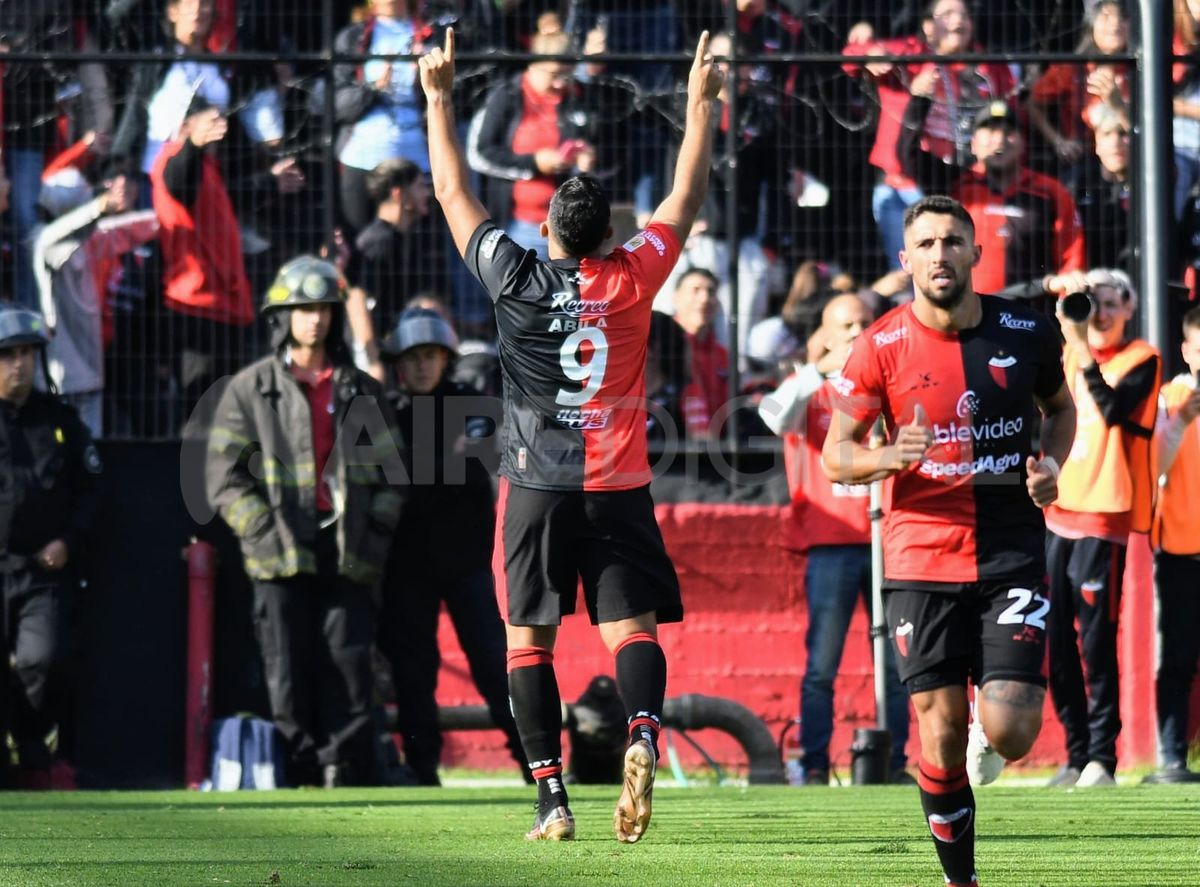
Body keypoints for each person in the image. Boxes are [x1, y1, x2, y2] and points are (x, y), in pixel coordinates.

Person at [417, 28, 722, 841]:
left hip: (538, 488)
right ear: (610, 235)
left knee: (529, 643)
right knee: (632, 630)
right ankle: (644, 732)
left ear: (548, 229)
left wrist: (439, 99)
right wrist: (701, 111)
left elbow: (452, 192)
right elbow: (684, 202)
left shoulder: (515, 275)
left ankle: (552, 799)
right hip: (618, 484)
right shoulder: (633, 277)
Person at [821, 195, 1075, 887]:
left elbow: (1060, 409)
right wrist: (885, 458)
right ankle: (959, 880)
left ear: (975, 253)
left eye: (952, 241)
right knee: (935, 734)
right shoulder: (879, 344)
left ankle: (986, 733)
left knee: (1016, 731)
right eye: (926, 243)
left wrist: (1051, 464)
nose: (940, 254)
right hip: (920, 553)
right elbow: (834, 454)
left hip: (1010, 546)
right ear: (905, 259)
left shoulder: (1025, 329)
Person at [206, 256, 406, 788]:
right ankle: (294, 766)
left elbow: (394, 474)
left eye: (322, 309)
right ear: (282, 316)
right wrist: (263, 535)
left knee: (349, 663)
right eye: (302, 309)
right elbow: (224, 476)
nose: (313, 319)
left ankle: (342, 766)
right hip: (278, 553)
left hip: (349, 552)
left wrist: (374, 538)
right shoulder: (249, 389)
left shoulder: (361, 389)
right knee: (285, 666)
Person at [758, 294, 911, 786]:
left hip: (885, 535)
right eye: (847, 324)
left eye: (865, 323)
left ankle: (895, 761)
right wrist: (816, 370)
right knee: (822, 661)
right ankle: (816, 763)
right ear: (824, 333)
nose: (857, 332)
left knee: (893, 660)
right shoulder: (809, 390)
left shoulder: (885, 381)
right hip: (830, 540)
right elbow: (772, 416)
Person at [376, 307, 527, 786]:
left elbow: (473, 457)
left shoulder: (471, 403)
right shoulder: (386, 411)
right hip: (408, 565)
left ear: (446, 359)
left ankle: (534, 766)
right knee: (413, 672)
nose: (422, 366)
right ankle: (423, 771)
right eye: (412, 357)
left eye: (431, 356)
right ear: (398, 362)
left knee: (491, 664)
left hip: (467, 563)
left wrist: (418, 465)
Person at [1044, 268, 1162, 788]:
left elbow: (1113, 411)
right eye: (1094, 302)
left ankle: (1101, 758)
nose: (1102, 313)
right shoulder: (1066, 352)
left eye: (1112, 303)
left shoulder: (1144, 359)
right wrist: (1055, 288)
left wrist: (1081, 349)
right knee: (1055, 643)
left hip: (1104, 516)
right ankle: (1073, 755)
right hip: (1056, 511)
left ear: (1129, 310)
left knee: (1095, 642)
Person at [0, 306, 103, 787]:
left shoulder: (59, 421)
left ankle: (31, 742)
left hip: (43, 571)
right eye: (8, 355)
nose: (19, 364)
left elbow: (91, 491)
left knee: (44, 659)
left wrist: (68, 540)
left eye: (27, 354)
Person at [901, 99, 1087, 302]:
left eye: (1008, 132)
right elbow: (908, 155)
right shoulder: (953, 186)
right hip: (967, 315)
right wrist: (920, 100)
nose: (999, 140)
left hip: (1029, 316)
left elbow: (1071, 254)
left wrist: (1067, 301)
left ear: (1023, 143)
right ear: (973, 144)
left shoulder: (1050, 191)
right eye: (989, 131)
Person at [467, 29, 600, 261]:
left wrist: (585, 162)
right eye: (555, 75)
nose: (561, 84)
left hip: (571, 227)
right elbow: (480, 153)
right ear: (535, 64)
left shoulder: (580, 97)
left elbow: (606, 147)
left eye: (568, 76)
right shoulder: (506, 96)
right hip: (518, 224)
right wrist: (535, 163)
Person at [1144, 306, 1200, 784]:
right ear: (1186, 351)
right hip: (1181, 550)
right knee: (1178, 659)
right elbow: (1153, 466)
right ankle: (1171, 755)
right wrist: (1180, 421)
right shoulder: (1168, 398)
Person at [671, 268, 728, 441]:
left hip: (717, 454)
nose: (704, 299)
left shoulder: (723, 355)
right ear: (676, 298)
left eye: (711, 292)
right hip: (669, 450)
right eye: (695, 291)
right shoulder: (661, 345)